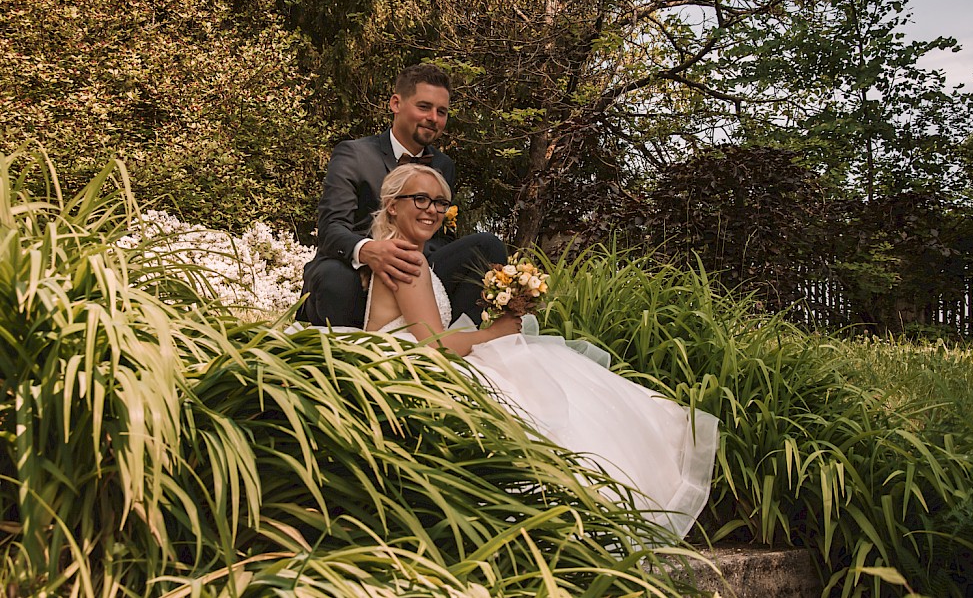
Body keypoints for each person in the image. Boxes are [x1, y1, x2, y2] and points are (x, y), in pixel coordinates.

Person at [364, 164, 720, 539]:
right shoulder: (408, 260)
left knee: (534, 368)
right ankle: (605, 500)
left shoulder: (399, 255)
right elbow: (433, 345)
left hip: (402, 363)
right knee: (533, 378)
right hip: (411, 369)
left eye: (439, 202)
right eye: (420, 199)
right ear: (391, 205)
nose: (432, 210)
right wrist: (495, 333)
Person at [298, 63, 506, 328]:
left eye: (441, 111)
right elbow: (331, 228)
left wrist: (409, 256)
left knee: (487, 246)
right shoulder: (353, 154)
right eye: (424, 107)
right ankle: (346, 357)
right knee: (335, 279)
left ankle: (456, 344)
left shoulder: (444, 166)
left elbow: (441, 237)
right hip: (353, 267)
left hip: (415, 266)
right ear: (396, 103)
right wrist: (371, 251)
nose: (433, 117)